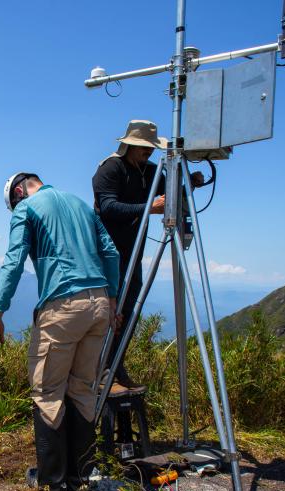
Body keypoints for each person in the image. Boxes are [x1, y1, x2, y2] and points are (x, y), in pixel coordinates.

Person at [0, 172, 120, 491]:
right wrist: (113, 297)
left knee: (47, 392)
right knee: (82, 390)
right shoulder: (80, 204)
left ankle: (53, 485)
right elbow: (111, 253)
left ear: (19, 191)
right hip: (100, 303)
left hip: (63, 306)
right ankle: (80, 479)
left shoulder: (27, 208)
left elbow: (14, 262)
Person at [92, 120, 203, 395]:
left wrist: (192, 182)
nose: (148, 153)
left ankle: (115, 366)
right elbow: (107, 207)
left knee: (128, 308)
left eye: (150, 149)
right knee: (110, 311)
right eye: (143, 149)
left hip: (133, 250)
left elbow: (170, 189)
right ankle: (102, 372)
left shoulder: (150, 171)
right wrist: (149, 208)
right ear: (129, 145)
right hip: (107, 251)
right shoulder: (110, 169)